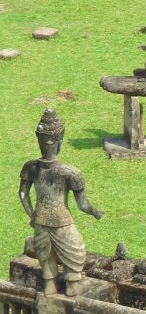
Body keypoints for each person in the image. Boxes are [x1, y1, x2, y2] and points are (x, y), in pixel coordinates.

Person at [19, 109, 103, 296]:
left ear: (39, 139)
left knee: (46, 254)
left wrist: (32, 215)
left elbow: (23, 195)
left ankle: (50, 285)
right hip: (62, 221)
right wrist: (95, 211)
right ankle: (73, 285)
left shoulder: (30, 167)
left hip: (40, 220)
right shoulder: (70, 172)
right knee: (75, 251)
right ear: (60, 140)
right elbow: (82, 204)